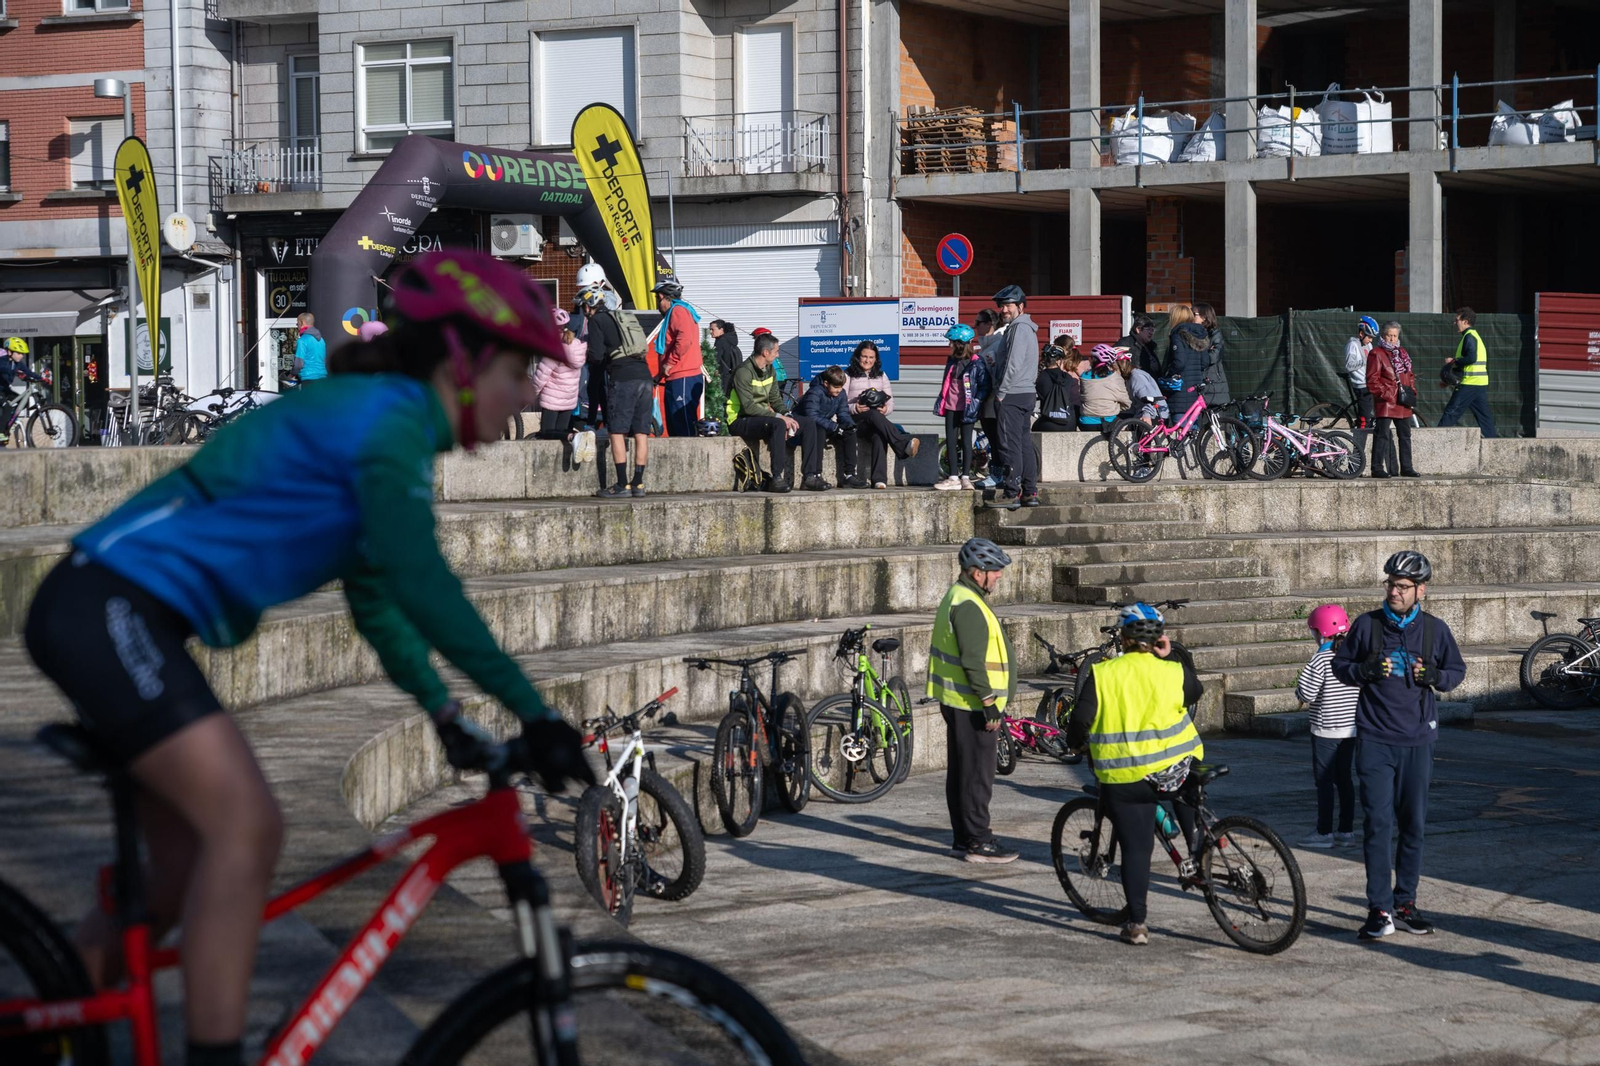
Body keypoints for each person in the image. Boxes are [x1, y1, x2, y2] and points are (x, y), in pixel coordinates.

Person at [22, 249, 594, 1066]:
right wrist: (534, 712)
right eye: (518, 370)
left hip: (116, 612)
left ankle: (54, 1029)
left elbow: (379, 606)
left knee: (183, 863)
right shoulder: (385, 421)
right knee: (246, 825)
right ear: (464, 363)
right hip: (108, 607)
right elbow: (422, 584)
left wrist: (446, 714)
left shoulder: (385, 424)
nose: (530, 393)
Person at [1332, 551, 1466, 940]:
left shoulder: (1434, 630)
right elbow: (1341, 666)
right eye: (1390, 583)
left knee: (1413, 826)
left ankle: (1404, 903)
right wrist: (1363, 671)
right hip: (1374, 739)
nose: (1394, 591)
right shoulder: (1367, 626)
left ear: (1420, 590)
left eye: (1402, 586)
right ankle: (1379, 909)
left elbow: (1456, 671)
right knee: (1377, 824)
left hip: (1418, 740)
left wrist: (1435, 676)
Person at [1067, 602, 1205, 946]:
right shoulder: (1172, 670)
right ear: (1159, 638)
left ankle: (1138, 924)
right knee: (1187, 794)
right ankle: (1197, 852)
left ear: (1123, 638)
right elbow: (1195, 691)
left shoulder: (1103, 674)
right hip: (1178, 768)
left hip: (1126, 777)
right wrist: (1167, 656)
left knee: (1137, 850)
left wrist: (1077, 744)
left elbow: (1080, 722)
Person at [926, 537, 1020, 865]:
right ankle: (978, 842)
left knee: (963, 774)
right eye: (994, 571)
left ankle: (963, 839)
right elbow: (972, 661)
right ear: (977, 572)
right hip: (974, 706)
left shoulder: (959, 596)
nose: (999, 576)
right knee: (977, 776)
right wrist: (989, 702)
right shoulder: (968, 604)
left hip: (961, 702)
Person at [1296, 604, 1361, 849]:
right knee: (1344, 779)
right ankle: (1346, 830)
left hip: (1326, 730)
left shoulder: (1321, 658)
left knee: (1324, 781)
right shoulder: (1353, 655)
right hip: (1350, 729)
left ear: (1320, 633)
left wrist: (1298, 689)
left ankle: (1324, 832)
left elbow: (1307, 693)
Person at [580, 286, 654, 498]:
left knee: (617, 431)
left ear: (589, 306)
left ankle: (622, 484)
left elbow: (595, 354)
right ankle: (638, 483)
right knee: (641, 432)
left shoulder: (596, 321)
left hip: (623, 378)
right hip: (644, 375)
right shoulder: (623, 318)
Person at [729, 332, 824, 492]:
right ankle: (777, 477)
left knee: (808, 424)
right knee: (778, 424)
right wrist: (779, 417)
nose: (778, 354)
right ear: (766, 353)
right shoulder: (743, 372)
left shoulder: (770, 370)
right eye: (776, 351)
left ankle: (809, 476)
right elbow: (748, 407)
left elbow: (775, 399)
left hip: (763, 417)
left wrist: (787, 414)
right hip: (740, 419)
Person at [988, 284, 1040, 510]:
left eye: (1008, 305)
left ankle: (1011, 492)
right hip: (1025, 393)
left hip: (1012, 394)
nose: (1004, 310)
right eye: (1002, 306)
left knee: (1009, 444)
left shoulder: (1019, 329)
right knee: (1023, 445)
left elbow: (1014, 363)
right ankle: (1029, 492)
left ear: (1020, 306)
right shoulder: (1025, 328)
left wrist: (1001, 392)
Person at [844, 339, 919, 489]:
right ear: (858, 356)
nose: (867, 360)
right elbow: (840, 403)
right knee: (872, 415)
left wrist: (885, 409)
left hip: (875, 420)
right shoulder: (848, 374)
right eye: (864, 356)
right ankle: (903, 445)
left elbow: (890, 402)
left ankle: (879, 479)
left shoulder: (881, 375)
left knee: (879, 434)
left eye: (871, 357)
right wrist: (855, 408)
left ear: (876, 359)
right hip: (854, 420)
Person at [934, 324, 987, 490]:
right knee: (950, 440)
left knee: (966, 442)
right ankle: (953, 476)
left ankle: (965, 477)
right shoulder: (951, 360)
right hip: (951, 405)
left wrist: (977, 402)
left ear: (959, 343)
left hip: (967, 407)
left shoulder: (976, 362)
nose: (950, 345)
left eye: (952, 342)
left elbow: (984, 385)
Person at [653, 277, 704, 438]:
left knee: (683, 425)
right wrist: (659, 374)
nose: (657, 303)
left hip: (683, 375)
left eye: (657, 298)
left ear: (664, 297)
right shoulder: (680, 311)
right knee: (676, 424)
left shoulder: (678, 311)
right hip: (678, 376)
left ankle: (690, 462)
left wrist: (669, 363)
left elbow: (685, 340)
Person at [1367, 321, 1419, 479]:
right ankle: (1377, 468)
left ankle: (1407, 467)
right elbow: (1372, 380)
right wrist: (1387, 395)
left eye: (1395, 336)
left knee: (1405, 435)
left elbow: (1409, 375)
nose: (1392, 339)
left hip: (1403, 401)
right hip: (1387, 402)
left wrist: (1412, 390)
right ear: (1383, 335)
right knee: (1381, 434)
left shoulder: (1402, 352)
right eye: (1389, 335)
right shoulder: (1376, 353)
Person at [795, 364, 860, 487]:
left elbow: (843, 413)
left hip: (825, 424)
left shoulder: (841, 393)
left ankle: (850, 475)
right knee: (819, 431)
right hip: (806, 427)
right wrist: (834, 427)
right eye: (835, 387)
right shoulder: (815, 392)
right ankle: (815, 474)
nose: (838, 390)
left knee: (849, 432)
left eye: (840, 387)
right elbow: (812, 416)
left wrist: (849, 425)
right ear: (826, 383)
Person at [1438, 306, 1497, 438]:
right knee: (1484, 417)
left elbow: (1471, 358)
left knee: (1451, 412)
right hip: (1479, 383)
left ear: (1465, 321)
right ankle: (1493, 444)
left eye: (1457, 320)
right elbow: (1467, 366)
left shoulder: (1469, 337)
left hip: (1470, 383)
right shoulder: (1473, 336)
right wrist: (1448, 381)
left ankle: (1436, 440)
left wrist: (1453, 361)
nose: (1455, 323)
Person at [530, 307, 586, 445]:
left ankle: (574, 437)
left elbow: (540, 377)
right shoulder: (577, 346)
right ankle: (577, 437)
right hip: (569, 399)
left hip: (552, 400)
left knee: (547, 433)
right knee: (560, 436)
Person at [973, 309, 1005, 489]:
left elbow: (995, 375)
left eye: (978, 323)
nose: (975, 326)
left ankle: (997, 474)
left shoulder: (996, 346)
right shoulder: (986, 345)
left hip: (993, 401)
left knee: (996, 439)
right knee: (993, 439)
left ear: (989, 324)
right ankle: (996, 473)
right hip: (986, 401)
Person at [1161, 320, 1213, 423]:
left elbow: (1179, 362)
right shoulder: (1199, 336)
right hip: (1195, 389)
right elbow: (1205, 362)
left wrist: (1168, 373)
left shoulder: (1177, 336)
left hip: (1179, 391)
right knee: (1192, 431)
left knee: (1181, 429)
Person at [1345, 316, 1380, 468]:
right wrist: (1363, 362)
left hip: (1370, 383)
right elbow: (1349, 365)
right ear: (1361, 334)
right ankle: (1354, 461)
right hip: (1361, 385)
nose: (1370, 341)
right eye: (1369, 337)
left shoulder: (1368, 346)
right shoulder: (1353, 344)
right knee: (1364, 422)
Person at [0, 336, 44, 443]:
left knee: (22, 401)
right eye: (19, 353)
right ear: (10, 352)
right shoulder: (2, 361)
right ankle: (0, 433)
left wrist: (41, 378)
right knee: (7, 407)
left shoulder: (18, 363)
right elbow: (3, 369)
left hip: (5, 388)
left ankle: (9, 422)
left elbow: (28, 372)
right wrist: (16, 372)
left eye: (22, 353)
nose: (21, 356)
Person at [1078, 344, 1131, 432]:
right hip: (1110, 422)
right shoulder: (1116, 377)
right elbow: (1126, 403)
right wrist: (1112, 407)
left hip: (1086, 424)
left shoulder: (1084, 376)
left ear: (1093, 359)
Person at [1114, 345, 1169, 424]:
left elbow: (1149, 398)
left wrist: (1147, 415)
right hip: (1139, 413)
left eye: (1112, 366)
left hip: (1156, 415)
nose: (1111, 369)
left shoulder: (1136, 376)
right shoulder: (1126, 378)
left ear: (1120, 364)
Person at [1032, 342, 1079, 432]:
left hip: (1049, 422)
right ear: (1059, 361)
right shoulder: (1068, 378)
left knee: (1034, 428)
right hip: (1069, 422)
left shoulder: (1040, 377)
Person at [1191, 302, 1231, 408]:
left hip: (1214, 386)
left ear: (1204, 317)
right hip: (1198, 385)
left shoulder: (1215, 334)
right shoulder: (1191, 334)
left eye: (1194, 314)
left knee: (1216, 422)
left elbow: (1213, 356)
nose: (1190, 317)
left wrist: (1200, 354)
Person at [1116, 314, 1161, 378]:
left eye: (1152, 330)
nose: (1151, 333)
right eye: (1149, 329)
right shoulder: (1125, 344)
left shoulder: (1150, 347)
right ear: (1138, 329)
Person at [710, 319, 742, 398]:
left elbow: (714, 360)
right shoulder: (731, 340)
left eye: (712, 329)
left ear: (721, 330)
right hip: (731, 376)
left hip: (723, 377)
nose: (710, 332)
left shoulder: (720, 342)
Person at [294, 312, 326, 382]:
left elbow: (299, 364)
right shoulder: (321, 340)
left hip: (308, 378)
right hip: (322, 377)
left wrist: (292, 374)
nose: (297, 326)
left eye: (297, 324)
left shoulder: (302, 341)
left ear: (302, 323)